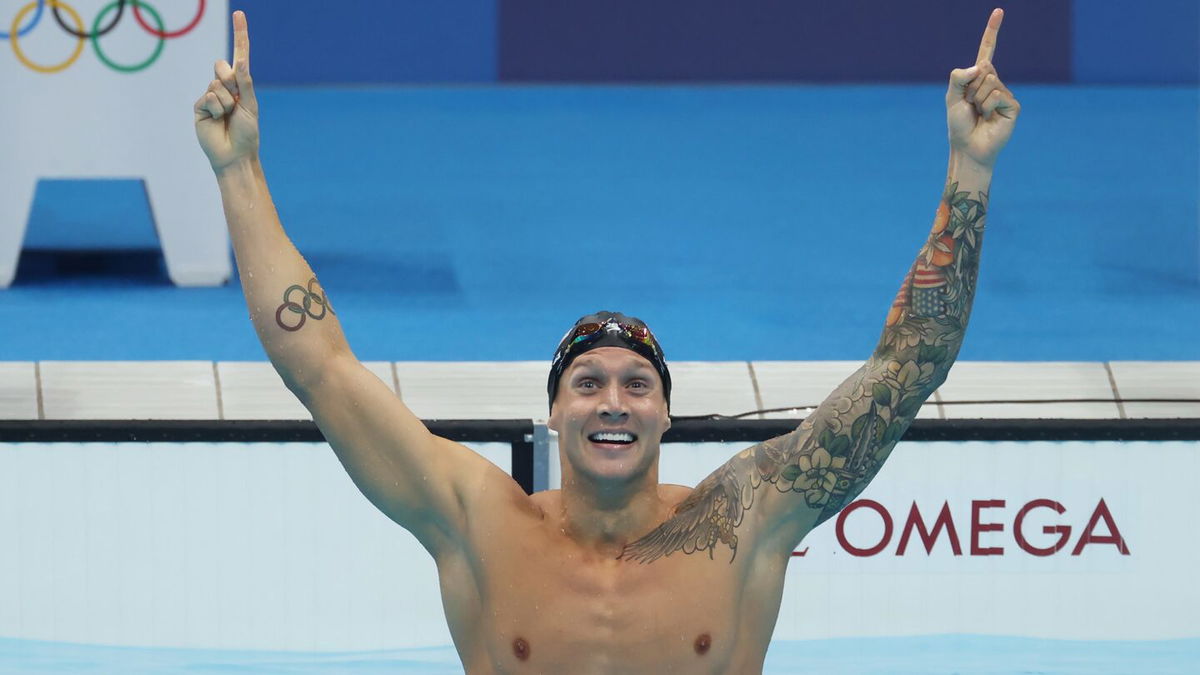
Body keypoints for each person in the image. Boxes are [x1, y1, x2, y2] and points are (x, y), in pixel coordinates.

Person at [194, 7, 1020, 673]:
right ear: (552, 414)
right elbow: (321, 368)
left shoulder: (748, 514)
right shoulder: (477, 522)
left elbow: (908, 368)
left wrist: (969, 166)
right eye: (586, 383)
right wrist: (239, 171)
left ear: (666, 415)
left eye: (636, 383)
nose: (613, 401)